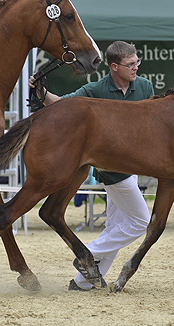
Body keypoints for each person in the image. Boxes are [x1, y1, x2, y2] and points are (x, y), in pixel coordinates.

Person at [29, 41, 153, 290]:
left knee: (116, 227)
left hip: (134, 167)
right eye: (130, 64)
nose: (135, 68)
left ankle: (82, 283)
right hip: (112, 170)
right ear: (114, 67)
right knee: (141, 222)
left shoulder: (145, 87)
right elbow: (63, 106)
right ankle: (87, 254)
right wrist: (42, 93)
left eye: (137, 62)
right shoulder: (95, 89)